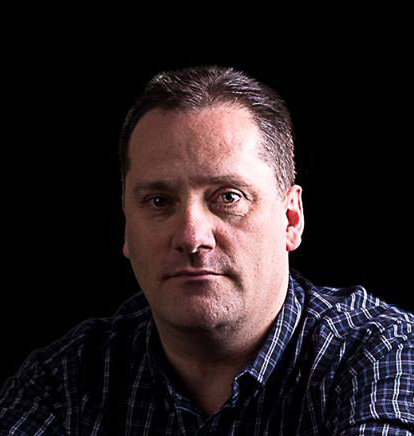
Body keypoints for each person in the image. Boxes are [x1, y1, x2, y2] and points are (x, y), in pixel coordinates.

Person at [1, 65, 413, 436]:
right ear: (127, 226)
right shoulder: (62, 382)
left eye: (228, 197)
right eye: (159, 201)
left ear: (291, 219)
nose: (192, 236)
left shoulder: (378, 354)